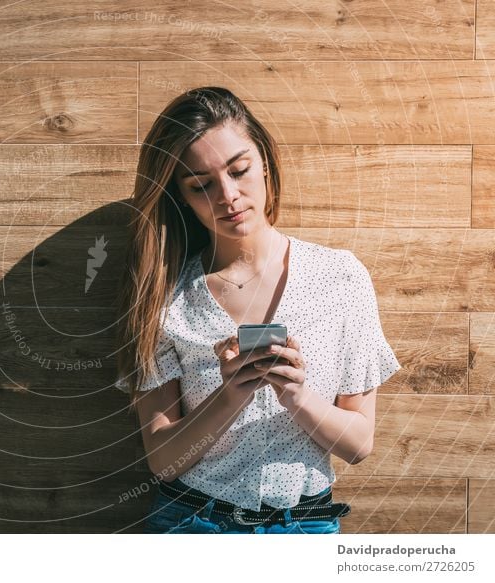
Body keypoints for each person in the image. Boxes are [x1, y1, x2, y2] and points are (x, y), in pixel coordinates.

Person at [114, 86, 401, 534]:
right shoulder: (165, 298)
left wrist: (297, 397)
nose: (227, 195)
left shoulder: (341, 278)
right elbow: (165, 462)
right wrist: (230, 395)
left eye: (239, 170)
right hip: (194, 525)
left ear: (264, 161)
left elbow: (359, 444)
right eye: (201, 184)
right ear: (182, 198)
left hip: (305, 528)